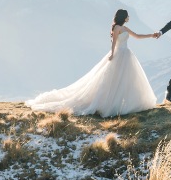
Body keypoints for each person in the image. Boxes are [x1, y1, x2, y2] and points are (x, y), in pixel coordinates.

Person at [26, 9, 158, 117]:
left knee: (124, 81)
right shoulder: (117, 28)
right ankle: (109, 104)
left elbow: (138, 36)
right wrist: (112, 53)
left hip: (126, 55)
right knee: (112, 81)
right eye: (127, 16)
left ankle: (121, 103)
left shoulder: (125, 28)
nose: (129, 17)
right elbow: (114, 42)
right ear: (123, 17)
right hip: (119, 55)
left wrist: (151, 35)